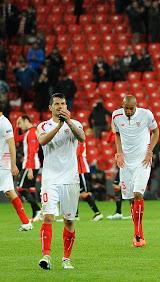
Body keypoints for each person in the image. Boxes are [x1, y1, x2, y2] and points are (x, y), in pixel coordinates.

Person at [37, 93, 86, 270]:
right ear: (50, 108)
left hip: (70, 179)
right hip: (50, 179)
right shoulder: (43, 126)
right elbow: (42, 141)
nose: (60, 106)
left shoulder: (76, 124)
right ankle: (46, 256)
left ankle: (66, 258)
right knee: (48, 216)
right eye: (56, 104)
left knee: (69, 221)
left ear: (67, 106)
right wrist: (59, 126)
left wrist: (69, 123)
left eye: (63, 104)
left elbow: (82, 138)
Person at [112, 95, 159, 247]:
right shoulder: (116, 115)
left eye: (132, 108)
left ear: (136, 106)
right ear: (122, 106)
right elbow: (117, 134)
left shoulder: (146, 114)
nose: (129, 111)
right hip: (126, 163)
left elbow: (156, 132)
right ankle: (137, 232)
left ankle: (138, 235)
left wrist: (149, 151)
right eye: (126, 108)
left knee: (138, 194)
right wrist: (119, 153)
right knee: (131, 198)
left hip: (142, 161)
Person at [0, 101, 32, 231]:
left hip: (3, 164)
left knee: (9, 191)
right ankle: (26, 222)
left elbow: (12, 144)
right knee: (9, 192)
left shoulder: (4, 123)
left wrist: (13, 165)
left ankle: (26, 222)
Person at [15, 115, 41, 222]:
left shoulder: (31, 133)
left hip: (30, 165)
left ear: (26, 121)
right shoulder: (28, 133)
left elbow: (32, 151)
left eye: (20, 123)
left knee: (20, 188)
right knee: (30, 188)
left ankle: (38, 210)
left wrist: (29, 168)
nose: (20, 126)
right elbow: (16, 139)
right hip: (32, 164)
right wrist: (16, 127)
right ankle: (36, 214)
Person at [76, 141, 103, 221]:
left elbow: (76, 153)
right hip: (76, 169)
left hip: (81, 168)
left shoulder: (79, 137)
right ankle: (74, 215)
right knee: (74, 192)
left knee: (84, 193)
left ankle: (97, 213)